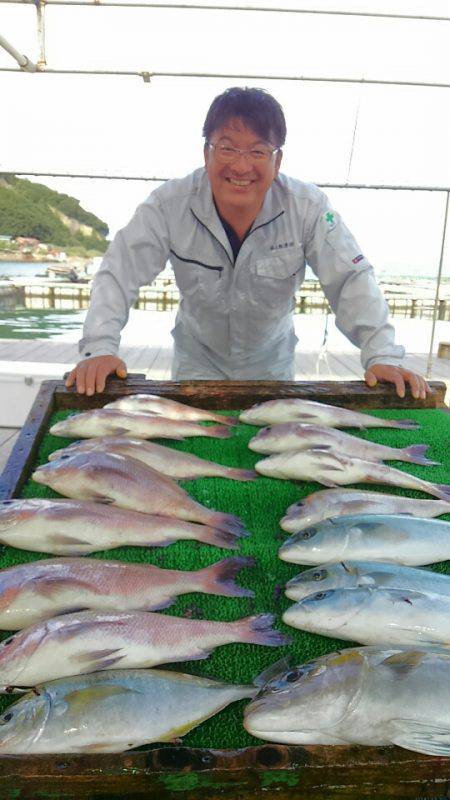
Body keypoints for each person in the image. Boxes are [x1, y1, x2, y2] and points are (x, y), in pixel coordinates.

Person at [66, 86, 429, 399]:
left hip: (272, 367)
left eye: (257, 151)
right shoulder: (168, 205)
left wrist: (382, 355)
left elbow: (350, 279)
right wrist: (99, 348)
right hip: (196, 363)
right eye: (227, 148)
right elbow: (119, 272)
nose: (241, 167)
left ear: (277, 160)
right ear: (206, 153)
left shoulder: (308, 207)